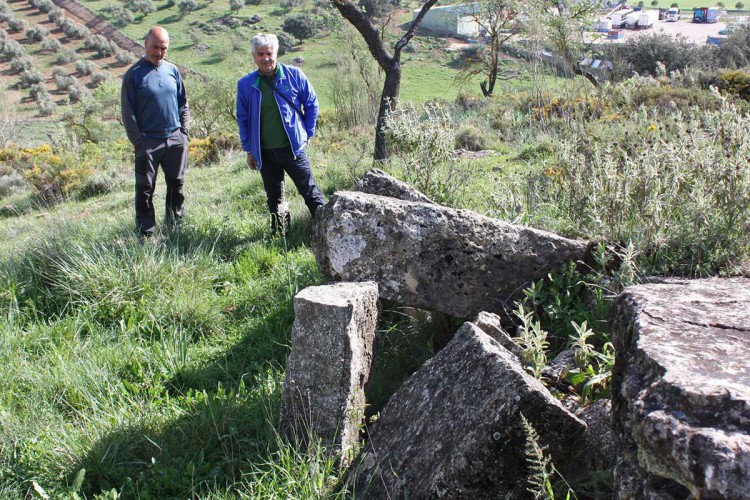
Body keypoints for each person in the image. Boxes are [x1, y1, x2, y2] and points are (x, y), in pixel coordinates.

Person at [236, 33, 325, 235]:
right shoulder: (245, 84)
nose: (266, 58)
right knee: (274, 197)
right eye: (260, 54)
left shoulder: (295, 75)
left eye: (269, 53)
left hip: (293, 148)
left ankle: (327, 231)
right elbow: (243, 119)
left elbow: (311, 104)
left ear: (276, 53)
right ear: (254, 56)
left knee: (310, 192)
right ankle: (280, 235)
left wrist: (308, 133)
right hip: (265, 152)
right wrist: (249, 150)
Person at [121, 26, 190, 238]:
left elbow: (183, 102)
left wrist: (184, 132)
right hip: (148, 142)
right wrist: (139, 142)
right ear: (145, 44)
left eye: (163, 48)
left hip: (175, 139)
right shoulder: (133, 74)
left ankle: (175, 225)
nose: (158, 52)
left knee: (176, 185)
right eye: (155, 47)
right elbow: (127, 112)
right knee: (145, 189)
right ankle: (146, 233)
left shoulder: (172, 70)